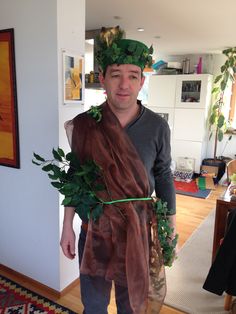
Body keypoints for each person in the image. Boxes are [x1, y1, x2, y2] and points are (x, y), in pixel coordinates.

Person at [60, 26, 177, 314]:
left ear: (141, 81)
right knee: (95, 304)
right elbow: (75, 177)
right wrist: (67, 227)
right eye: (115, 75)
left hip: (136, 231)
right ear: (102, 79)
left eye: (132, 76)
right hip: (94, 230)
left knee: (131, 304)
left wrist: (170, 230)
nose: (124, 84)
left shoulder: (157, 127)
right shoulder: (86, 124)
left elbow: (163, 177)